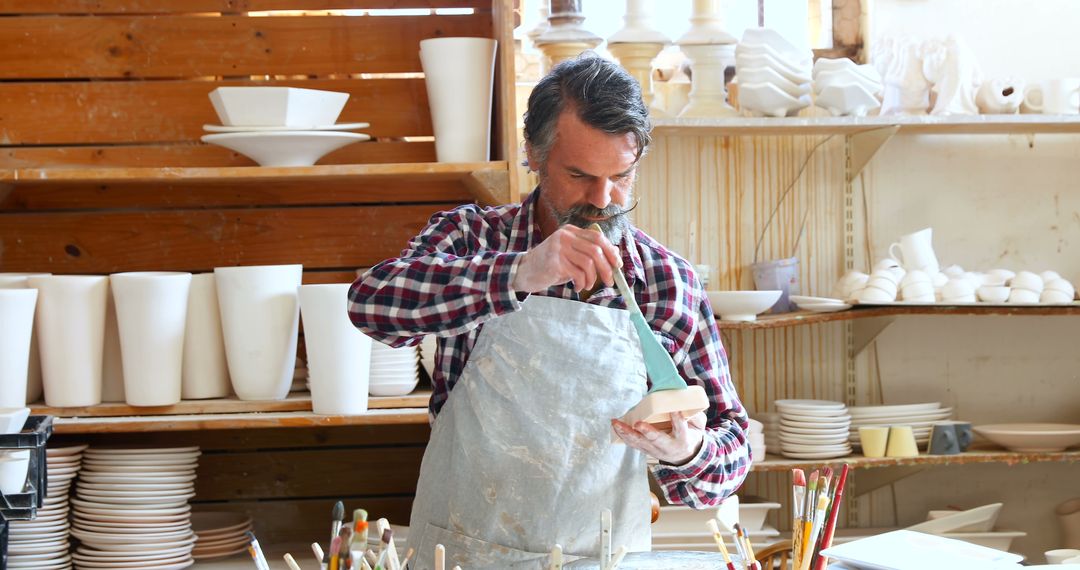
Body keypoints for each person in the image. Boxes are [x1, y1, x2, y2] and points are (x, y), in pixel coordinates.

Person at [348, 53, 750, 570]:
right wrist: (518, 273)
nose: (603, 199)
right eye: (580, 174)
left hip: (601, 560)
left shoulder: (665, 282)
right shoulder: (473, 238)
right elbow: (371, 306)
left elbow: (732, 448)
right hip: (463, 553)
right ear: (533, 156)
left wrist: (689, 454)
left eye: (621, 177)